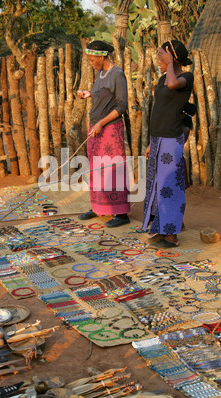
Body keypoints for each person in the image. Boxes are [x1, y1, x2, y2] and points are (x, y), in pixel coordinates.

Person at [142, 40, 194, 247]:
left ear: (172, 57)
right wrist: (150, 143)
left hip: (172, 139)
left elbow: (173, 86)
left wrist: (171, 63)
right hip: (158, 139)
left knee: (169, 187)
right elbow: (161, 108)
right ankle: (161, 230)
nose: (159, 59)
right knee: (156, 186)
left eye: (162, 55)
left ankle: (172, 235)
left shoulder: (184, 78)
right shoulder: (164, 77)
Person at [77, 40, 130, 227]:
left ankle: (121, 213)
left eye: (92, 59)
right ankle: (99, 207)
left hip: (110, 129)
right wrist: (87, 94)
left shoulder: (118, 75)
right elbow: (103, 94)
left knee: (113, 169)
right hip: (96, 128)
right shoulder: (100, 73)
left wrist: (101, 122)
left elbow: (122, 105)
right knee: (96, 169)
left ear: (102, 56)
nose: (91, 63)